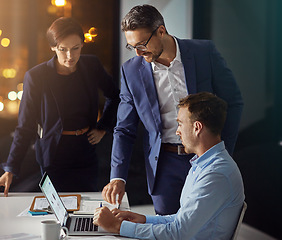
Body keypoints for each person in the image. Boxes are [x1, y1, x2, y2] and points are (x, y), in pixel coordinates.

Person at [102, 4, 244, 215]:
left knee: (204, 226)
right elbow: (124, 129)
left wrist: (223, 152)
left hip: (205, 159)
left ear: (161, 30)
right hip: (163, 164)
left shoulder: (204, 53)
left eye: (142, 44)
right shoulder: (131, 71)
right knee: (166, 228)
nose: (139, 53)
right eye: (132, 47)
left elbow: (233, 102)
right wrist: (117, 177)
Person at [94, 92, 245, 239]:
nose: (177, 131)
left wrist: (117, 227)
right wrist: (143, 219)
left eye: (180, 124)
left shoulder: (215, 174)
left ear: (197, 127)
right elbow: (181, 220)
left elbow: (178, 233)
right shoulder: (203, 164)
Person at [0, 17, 120, 194]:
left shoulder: (91, 65)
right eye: (63, 50)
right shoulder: (37, 76)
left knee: (84, 205)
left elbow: (115, 96)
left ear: (82, 45)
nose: (70, 56)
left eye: (75, 48)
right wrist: (11, 168)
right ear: (53, 47)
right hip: (53, 154)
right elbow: (25, 126)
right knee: (56, 209)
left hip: (85, 149)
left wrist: (103, 128)